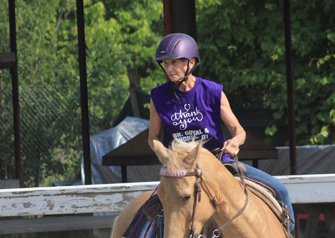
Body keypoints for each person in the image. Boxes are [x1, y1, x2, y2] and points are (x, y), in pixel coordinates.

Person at [148, 33, 295, 231]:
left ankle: (289, 232)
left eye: (174, 62)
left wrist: (234, 142)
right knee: (147, 212)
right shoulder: (157, 96)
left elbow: (238, 130)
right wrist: (165, 156)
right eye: (165, 63)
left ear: (191, 63)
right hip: (181, 171)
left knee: (280, 190)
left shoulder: (212, 91)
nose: (169, 68)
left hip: (219, 164)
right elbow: (153, 137)